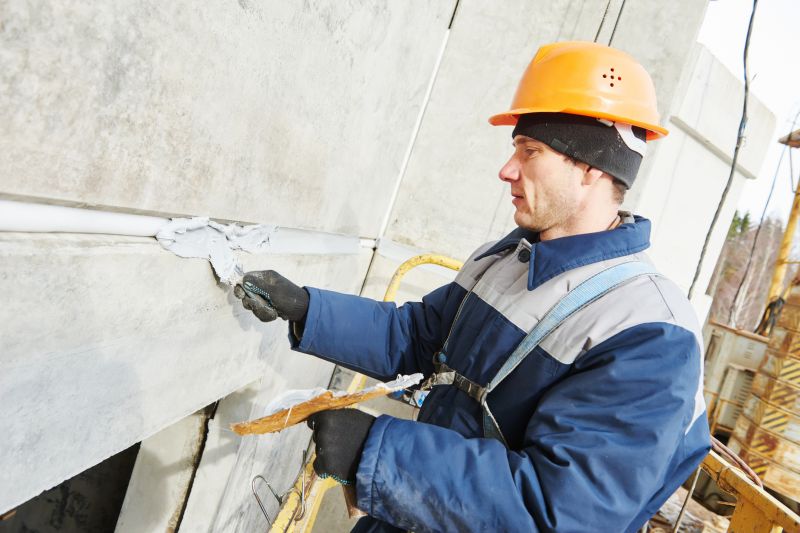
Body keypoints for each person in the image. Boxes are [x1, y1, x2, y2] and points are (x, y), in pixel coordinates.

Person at [235, 41, 711, 532]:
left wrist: (378, 451)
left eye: (531, 152)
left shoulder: (649, 334)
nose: (507, 170)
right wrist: (308, 309)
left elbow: (560, 514)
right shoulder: (508, 258)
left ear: (591, 168)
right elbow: (418, 337)